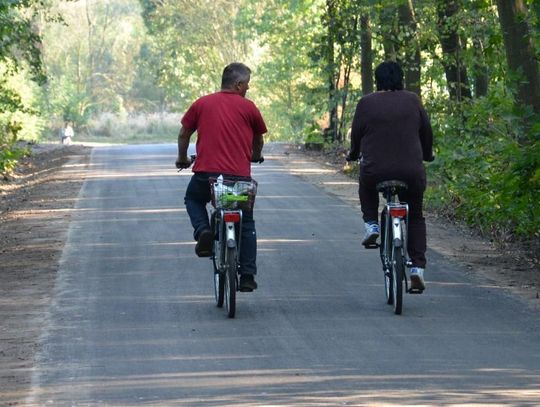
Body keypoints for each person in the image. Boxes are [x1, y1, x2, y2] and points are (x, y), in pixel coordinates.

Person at [175, 62, 267, 292]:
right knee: (246, 222)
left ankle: (203, 231)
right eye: (246, 84)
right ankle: (247, 275)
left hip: (207, 177)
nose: (248, 88)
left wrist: (182, 158)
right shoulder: (249, 107)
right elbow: (258, 140)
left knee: (193, 199)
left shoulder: (202, 103)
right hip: (239, 179)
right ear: (238, 84)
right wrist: (256, 155)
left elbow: (184, 133)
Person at [346, 61, 434, 291]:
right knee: (414, 216)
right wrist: (427, 154)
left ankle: (372, 225)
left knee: (366, 185)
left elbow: (356, 135)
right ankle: (416, 268)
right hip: (411, 171)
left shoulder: (366, 103)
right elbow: (426, 131)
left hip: (376, 170)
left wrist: (353, 154)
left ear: (377, 80)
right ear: (401, 78)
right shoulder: (412, 100)